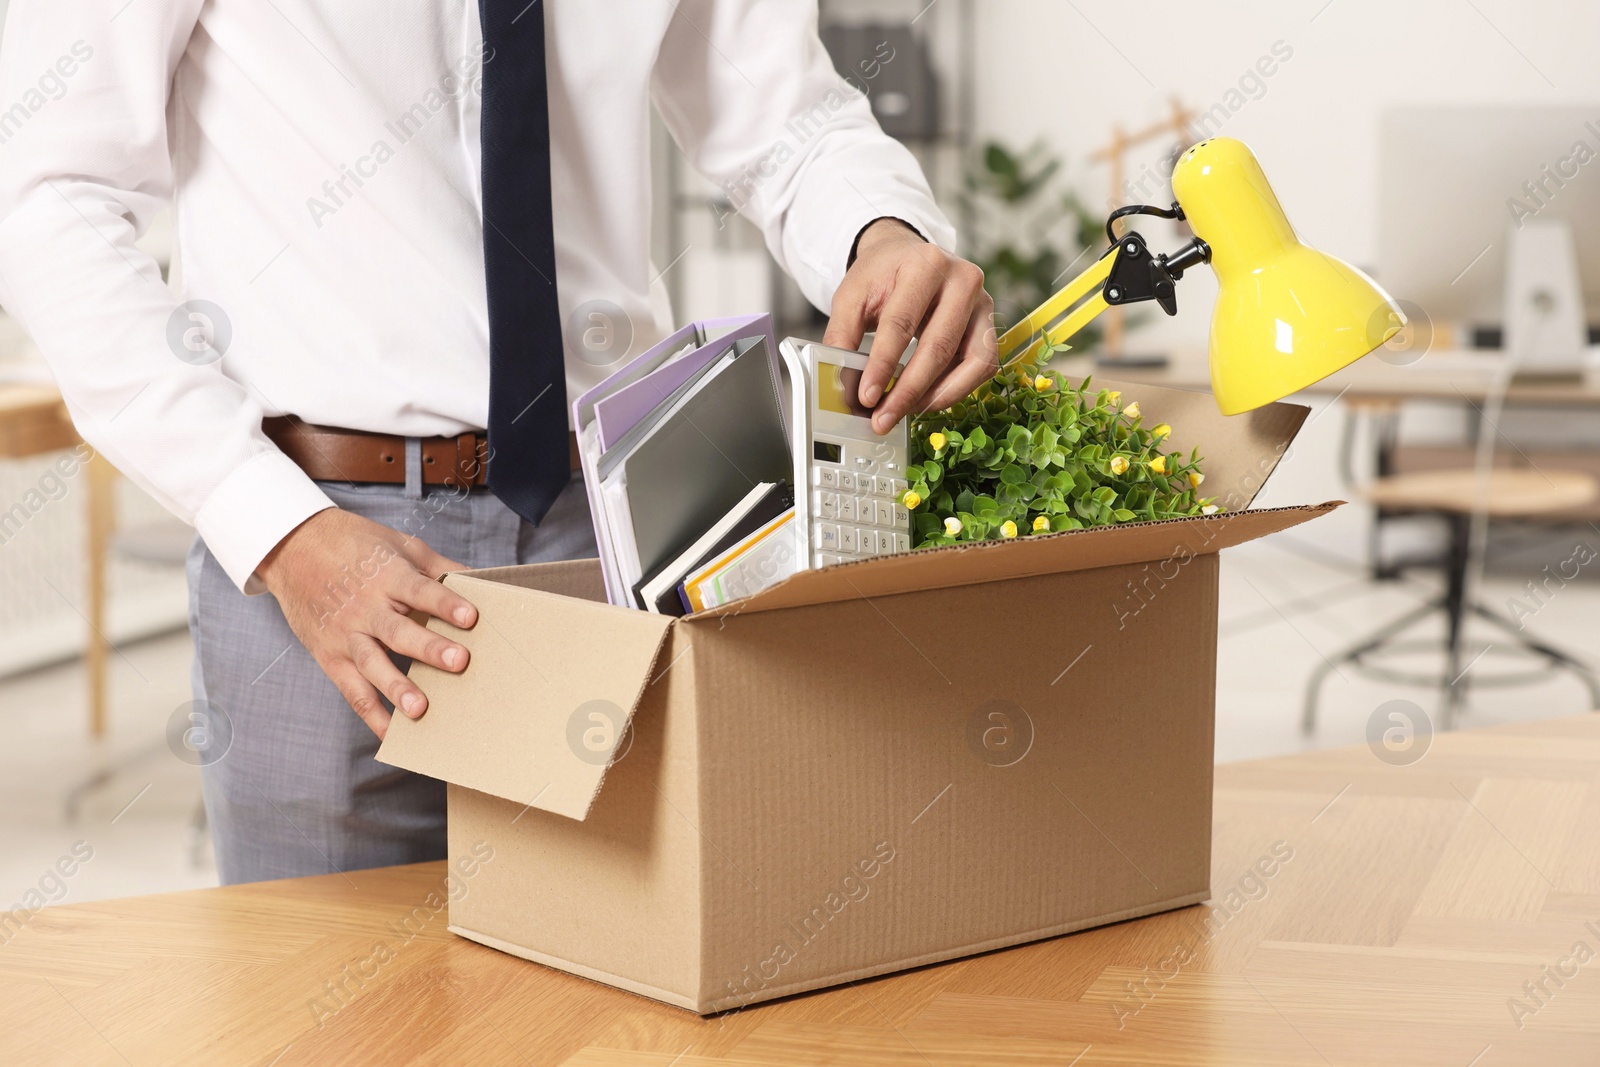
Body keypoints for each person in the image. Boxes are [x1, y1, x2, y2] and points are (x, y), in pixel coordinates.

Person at [0, 1, 997, 883]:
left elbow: (784, 117)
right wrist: (274, 525)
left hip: (611, 523)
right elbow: (46, 193)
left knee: (613, 1006)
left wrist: (881, 230)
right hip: (323, 544)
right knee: (326, 1020)